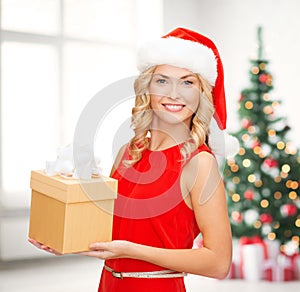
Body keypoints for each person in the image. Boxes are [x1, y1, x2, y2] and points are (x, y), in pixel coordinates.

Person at [29, 27, 233, 292]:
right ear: (147, 87)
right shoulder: (129, 151)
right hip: (109, 284)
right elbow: (111, 232)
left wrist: (133, 251)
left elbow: (218, 262)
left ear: (201, 94)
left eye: (187, 82)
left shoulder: (200, 164)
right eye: (162, 81)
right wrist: (62, 237)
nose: (174, 93)